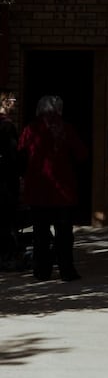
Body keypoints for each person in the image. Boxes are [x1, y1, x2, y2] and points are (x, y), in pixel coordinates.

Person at [19, 95, 88, 281]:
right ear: (58, 110)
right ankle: (66, 271)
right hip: (63, 191)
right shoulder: (66, 128)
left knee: (40, 233)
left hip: (38, 190)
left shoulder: (30, 129)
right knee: (64, 233)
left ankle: (41, 271)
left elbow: (21, 155)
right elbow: (81, 154)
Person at [0, 90, 22, 268]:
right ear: (5, 102)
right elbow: (13, 156)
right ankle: (8, 257)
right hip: (6, 179)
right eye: (13, 100)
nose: (16, 103)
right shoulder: (7, 126)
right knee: (8, 218)